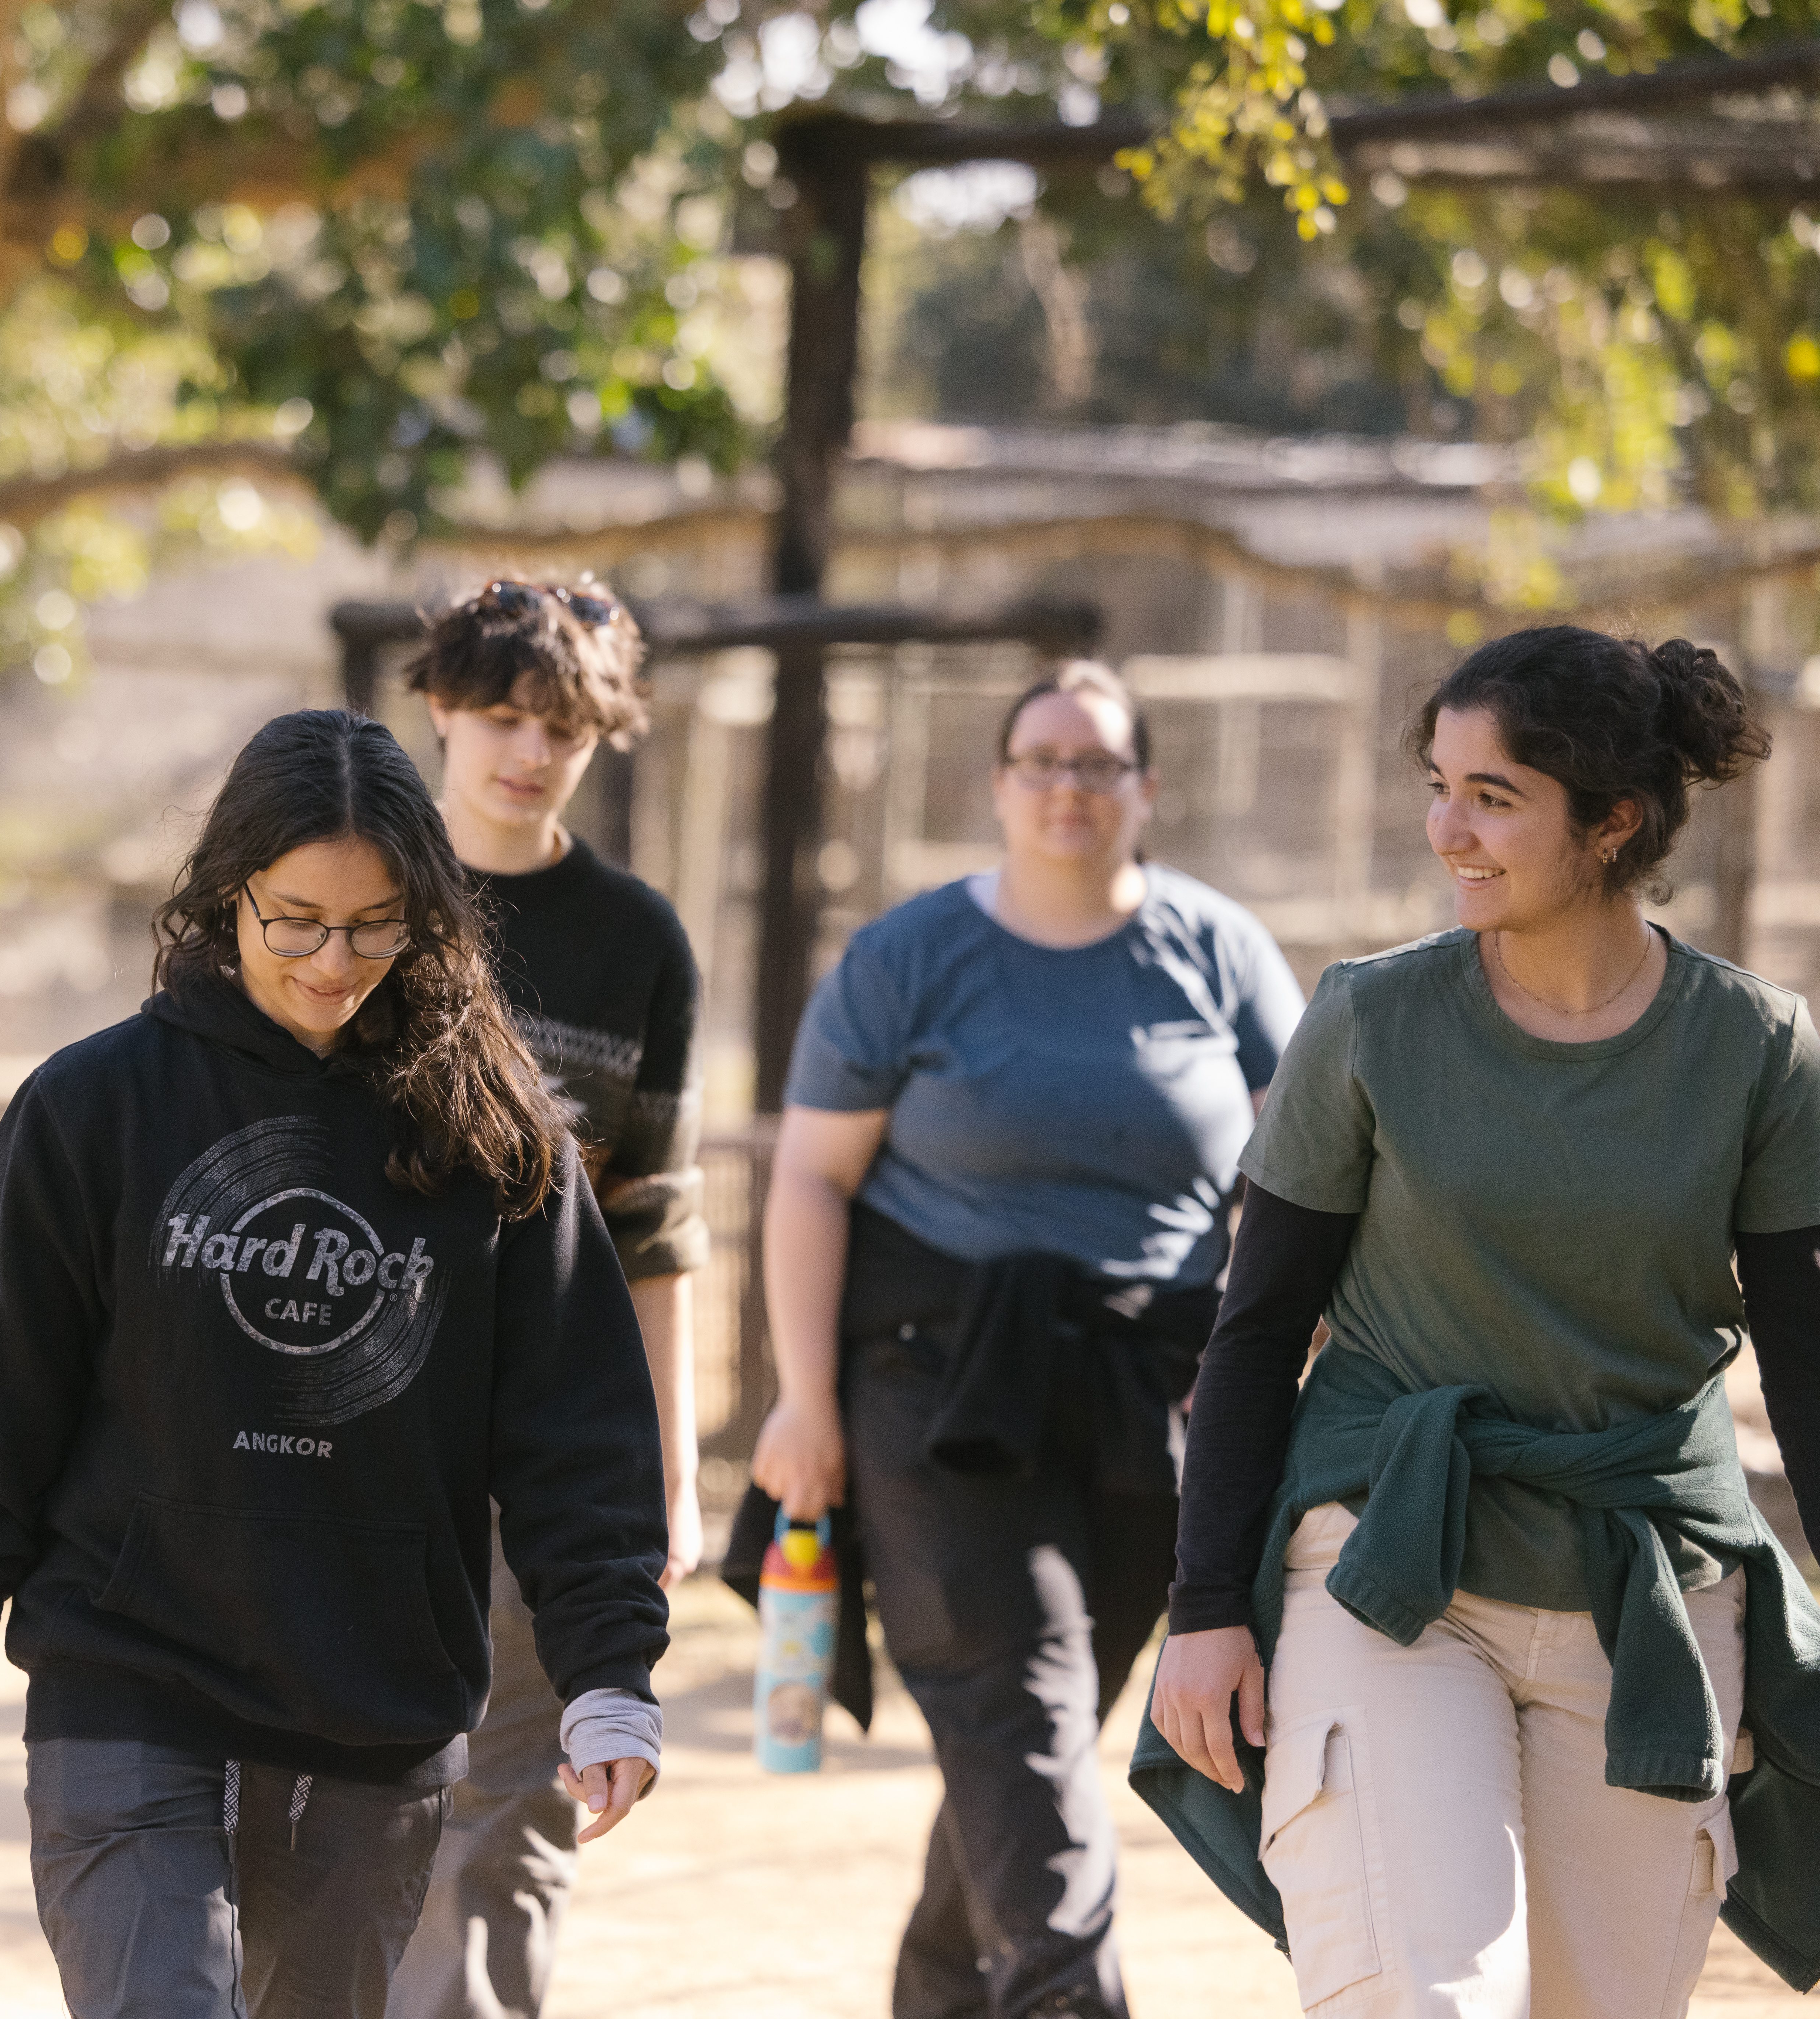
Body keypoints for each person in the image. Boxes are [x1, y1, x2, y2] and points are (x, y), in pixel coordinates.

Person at [0, 707, 672, 2019]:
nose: (333, 961)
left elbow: (577, 1433)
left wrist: (609, 1677)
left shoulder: (495, 1137)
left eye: (376, 926)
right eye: (297, 919)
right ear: (226, 894)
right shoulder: (96, 1107)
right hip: (127, 1682)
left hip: (371, 1710)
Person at [1144, 627, 1820, 2019]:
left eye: (1495, 796)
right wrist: (1208, 1605)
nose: (1448, 828)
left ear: (1614, 821)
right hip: (1390, 1568)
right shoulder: (1369, 1020)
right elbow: (1258, 1331)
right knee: (1426, 1998)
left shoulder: (1759, 1051)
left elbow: (1810, 1368)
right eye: (1439, 784)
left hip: (1652, 1602)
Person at [751, 662, 1303, 2019]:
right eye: (1042, 761)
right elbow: (811, 1179)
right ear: (999, 786)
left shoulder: (1219, 951)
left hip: (1148, 1392)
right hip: (936, 1386)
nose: (1070, 786)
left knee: (1030, 1732)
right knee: (1025, 1703)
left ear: (1145, 790)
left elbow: (1303, 1179)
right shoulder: (908, 957)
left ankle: (945, 1991)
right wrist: (803, 1402)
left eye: (1100, 763)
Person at [387, 578, 709, 2019]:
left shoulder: (636, 941)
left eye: (563, 727)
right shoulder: (351, 892)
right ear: (441, 707)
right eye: (504, 715)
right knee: (329, 1796)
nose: (528, 749)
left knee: (510, 1802)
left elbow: (651, 1229)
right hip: (344, 1422)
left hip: (537, 1443)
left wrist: (668, 1476)